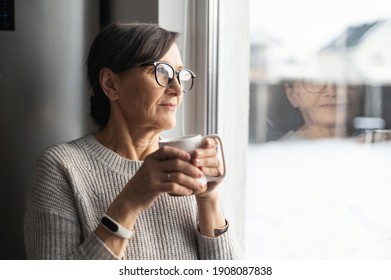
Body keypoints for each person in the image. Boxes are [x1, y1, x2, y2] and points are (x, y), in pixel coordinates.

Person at [24, 22, 239, 260]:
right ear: (110, 84)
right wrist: (131, 200)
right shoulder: (62, 167)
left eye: (180, 75)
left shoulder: (183, 167)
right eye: (162, 72)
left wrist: (208, 197)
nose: (177, 89)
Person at [279, 78, 362, 141]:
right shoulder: (280, 157)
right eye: (315, 81)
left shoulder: (370, 147)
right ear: (291, 95)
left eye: (344, 79)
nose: (332, 91)